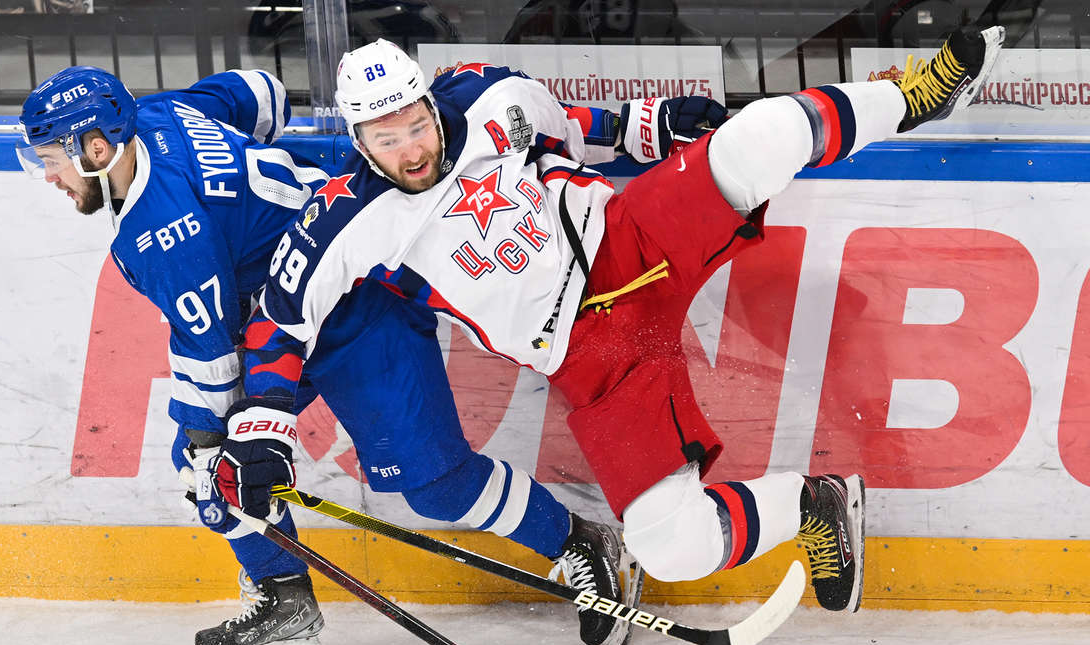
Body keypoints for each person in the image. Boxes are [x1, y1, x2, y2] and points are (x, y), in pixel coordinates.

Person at [208, 26, 1006, 614]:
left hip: (630, 243)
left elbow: (569, 130)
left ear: (424, 98)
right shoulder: (345, 220)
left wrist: (641, 127)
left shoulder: (488, 93)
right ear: (358, 138)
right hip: (594, 362)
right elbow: (281, 327)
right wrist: (261, 437)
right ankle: (814, 504)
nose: (413, 147)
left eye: (415, 122)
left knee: (753, 136)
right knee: (673, 545)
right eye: (388, 138)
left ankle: (915, 96)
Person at [15, 66, 639, 645]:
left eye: (52, 158)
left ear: (96, 147)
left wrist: (219, 449)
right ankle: (283, 600)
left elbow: (210, 358)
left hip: (353, 304)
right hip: (282, 316)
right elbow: (259, 93)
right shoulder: (160, 114)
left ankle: (581, 542)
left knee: (428, 484)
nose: (49, 176)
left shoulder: (160, 235)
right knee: (214, 464)